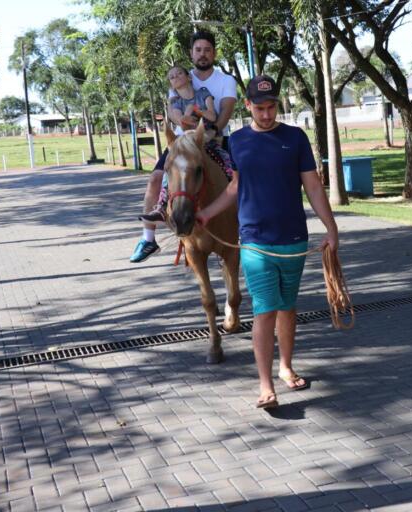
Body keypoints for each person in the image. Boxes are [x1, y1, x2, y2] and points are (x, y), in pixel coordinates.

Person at [196, 75, 339, 409]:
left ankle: (286, 367)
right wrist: (206, 214)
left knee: (287, 308)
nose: (266, 113)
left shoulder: (295, 138)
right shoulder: (238, 142)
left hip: (293, 240)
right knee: (265, 310)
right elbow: (234, 188)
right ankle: (265, 386)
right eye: (259, 108)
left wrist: (330, 229)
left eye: (271, 106)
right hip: (255, 242)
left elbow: (313, 187)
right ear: (248, 106)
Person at [130, 31, 237, 263]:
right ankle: (148, 237)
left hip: (215, 137)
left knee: (240, 180)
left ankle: (247, 225)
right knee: (155, 178)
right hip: (182, 142)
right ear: (191, 53)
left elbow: (226, 109)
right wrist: (183, 120)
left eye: (207, 49)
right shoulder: (180, 77)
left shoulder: (225, 80)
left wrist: (213, 131)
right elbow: (173, 112)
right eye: (198, 50)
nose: (203, 54)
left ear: (214, 53)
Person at [139, 65, 234, 223]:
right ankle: (162, 206)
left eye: (179, 73)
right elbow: (183, 122)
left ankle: (238, 198)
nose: (176, 77)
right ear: (171, 84)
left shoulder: (203, 93)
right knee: (169, 169)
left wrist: (196, 110)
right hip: (187, 142)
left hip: (210, 140)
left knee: (227, 163)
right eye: (172, 77)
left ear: (189, 77)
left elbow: (212, 115)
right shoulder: (176, 102)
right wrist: (189, 114)